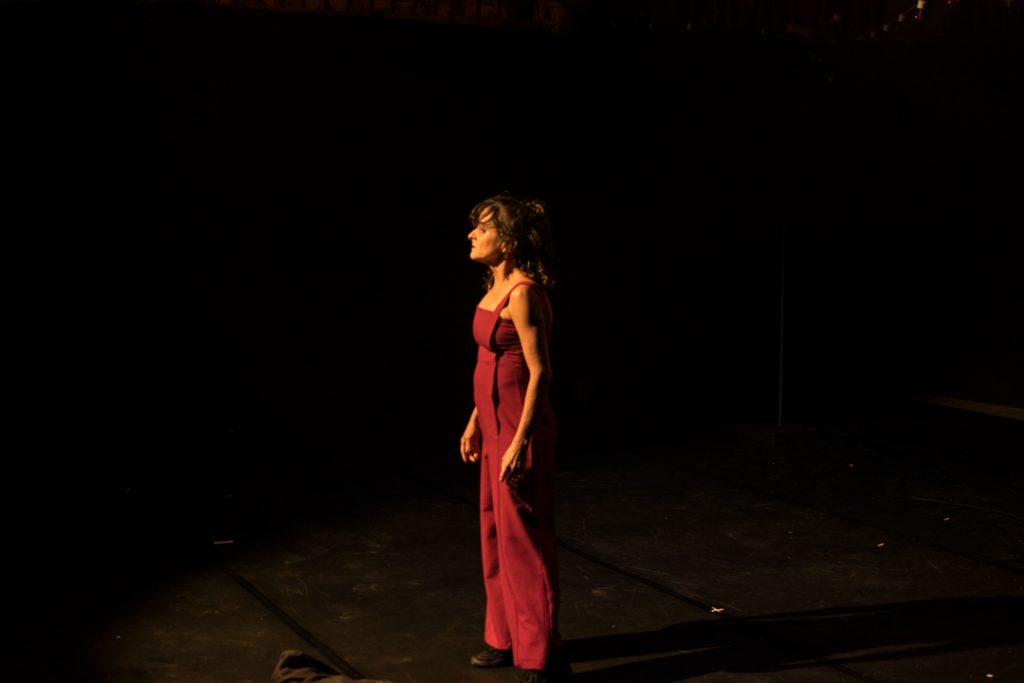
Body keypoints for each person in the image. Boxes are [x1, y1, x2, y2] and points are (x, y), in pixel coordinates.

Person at [459, 192, 571, 683]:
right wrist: (475, 421)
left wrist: (520, 441)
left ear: (507, 241)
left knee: (525, 539)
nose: (472, 234)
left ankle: (543, 654)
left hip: (518, 428)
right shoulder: (493, 286)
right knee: (494, 533)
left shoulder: (523, 293)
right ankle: (504, 636)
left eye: (482, 228)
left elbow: (540, 371)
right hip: (493, 425)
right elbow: (490, 363)